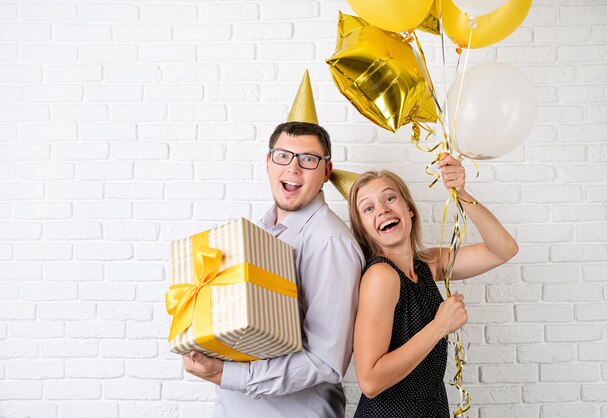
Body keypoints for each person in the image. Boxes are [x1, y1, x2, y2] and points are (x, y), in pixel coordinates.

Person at [182, 71, 365, 418]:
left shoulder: (329, 242)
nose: (294, 168)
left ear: (326, 172)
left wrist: (226, 373)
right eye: (283, 155)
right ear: (268, 162)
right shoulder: (257, 234)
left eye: (308, 159)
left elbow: (326, 362)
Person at [348, 155, 518, 417]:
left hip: (431, 407)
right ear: (364, 228)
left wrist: (460, 192)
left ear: (409, 209)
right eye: (368, 208)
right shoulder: (381, 276)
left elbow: (503, 250)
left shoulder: (427, 265)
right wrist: (439, 326)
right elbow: (370, 382)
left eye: (389, 198)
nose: (382, 209)